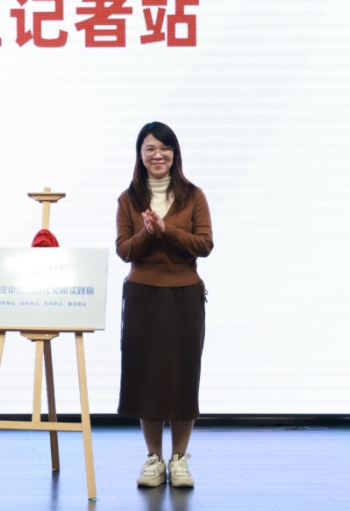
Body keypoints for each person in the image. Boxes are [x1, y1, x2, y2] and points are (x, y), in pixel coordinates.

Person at [115, 121, 213, 489]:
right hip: (142, 296)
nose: (158, 155)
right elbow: (125, 250)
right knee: (147, 377)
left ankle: (179, 459)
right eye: (150, 149)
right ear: (140, 155)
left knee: (183, 375)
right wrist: (147, 232)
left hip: (185, 295)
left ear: (175, 153)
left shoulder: (194, 196)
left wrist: (166, 230)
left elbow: (205, 245)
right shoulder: (128, 199)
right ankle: (154, 459)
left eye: (165, 148)